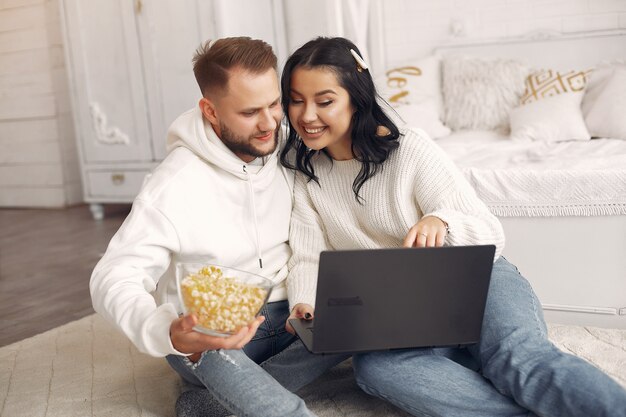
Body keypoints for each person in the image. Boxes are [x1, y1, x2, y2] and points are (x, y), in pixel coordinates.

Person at [279, 36, 626, 417]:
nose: (307, 115)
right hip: (401, 311)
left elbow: (489, 230)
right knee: (377, 369)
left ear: (355, 99)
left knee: (517, 359)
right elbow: (308, 252)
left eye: (324, 101)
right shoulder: (303, 168)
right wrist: (305, 302)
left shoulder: (410, 148)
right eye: (296, 100)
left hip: (477, 281)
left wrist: (441, 220)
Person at [90, 37, 347, 417]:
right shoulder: (173, 184)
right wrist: (167, 330)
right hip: (218, 333)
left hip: (292, 314)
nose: (269, 123)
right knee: (213, 356)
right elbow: (113, 276)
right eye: (249, 112)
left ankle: (209, 405)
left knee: (362, 320)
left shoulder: (287, 146)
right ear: (210, 111)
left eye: (274, 104)